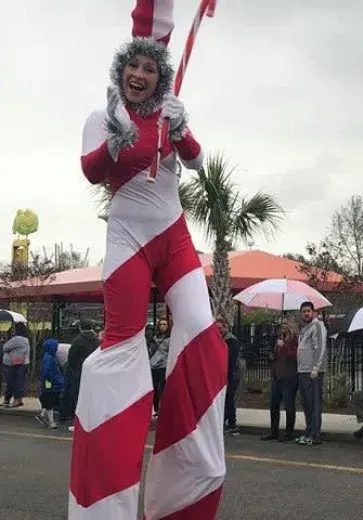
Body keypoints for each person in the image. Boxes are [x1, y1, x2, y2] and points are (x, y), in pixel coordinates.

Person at [72, 2, 227, 518]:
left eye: (149, 69)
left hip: (174, 233)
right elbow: (92, 172)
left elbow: (199, 162)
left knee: (203, 333)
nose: (140, 74)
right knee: (121, 347)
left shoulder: (166, 113)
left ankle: (184, 488)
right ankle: (103, 496)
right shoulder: (102, 116)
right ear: (121, 73)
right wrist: (116, 140)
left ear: (158, 77)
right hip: (127, 239)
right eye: (133, 67)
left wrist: (181, 130)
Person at [296, 302, 327, 446]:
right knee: (307, 404)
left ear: (314, 312)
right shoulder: (305, 328)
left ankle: (315, 435)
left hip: (313, 372)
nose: (306, 314)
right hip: (302, 370)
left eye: (308, 311)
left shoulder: (317, 325)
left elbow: (320, 347)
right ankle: (309, 431)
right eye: (303, 311)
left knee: (314, 404)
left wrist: (316, 367)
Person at [263, 318, 299, 442]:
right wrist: (273, 356)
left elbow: (295, 356)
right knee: (274, 404)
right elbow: (278, 356)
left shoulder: (295, 341)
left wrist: (283, 347)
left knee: (289, 405)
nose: (283, 326)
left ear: (291, 326)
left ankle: (289, 433)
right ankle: (274, 431)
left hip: (289, 377)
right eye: (282, 324)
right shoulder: (279, 338)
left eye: (286, 323)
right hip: (277, 376)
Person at [218, 317, 242, 436]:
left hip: (231, 374)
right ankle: (224, 422)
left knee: (229, 399)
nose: (219, 330)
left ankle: (232, 424)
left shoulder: (232, 341)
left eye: (220, 328)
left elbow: (231, 361)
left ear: (226, 327)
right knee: (224, 399)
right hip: (222, 374)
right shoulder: (219, 340)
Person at [37, 338, 64, 429]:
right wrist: (49, 383)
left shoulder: (49, 356)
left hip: (51, 382)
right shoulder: (50, 358)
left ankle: (42, 415)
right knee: (49, 400)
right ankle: (51, 422)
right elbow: (47, 372)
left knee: (49, 399)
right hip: (50, 382)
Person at [2, 322, 30, 408]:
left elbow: (5, 347)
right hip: (24, 362)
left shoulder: (16, 339)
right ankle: (19, 399)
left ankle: (13, 400)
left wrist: (5, 342)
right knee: (20, 381)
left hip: (14, 363)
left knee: (13, 382)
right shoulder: (26, 339)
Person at [149, 318, 170, 418]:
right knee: (155, 389)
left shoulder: (170, 339)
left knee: (163, 389)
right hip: (153, 366)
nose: (162, 326)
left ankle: (164, 409)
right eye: (161, 324)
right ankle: (156, 409)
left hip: (163, 366)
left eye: (165, 324)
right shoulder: (153, 338)